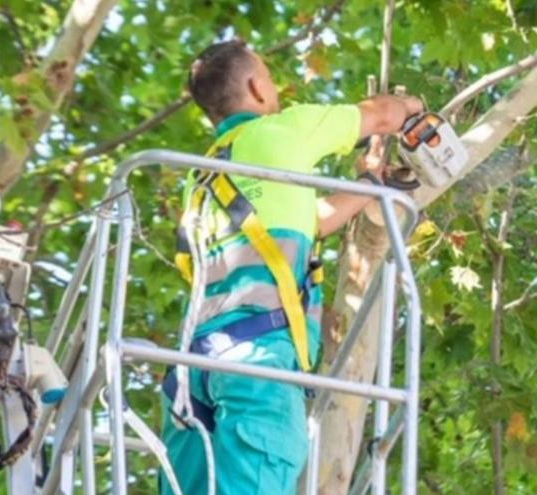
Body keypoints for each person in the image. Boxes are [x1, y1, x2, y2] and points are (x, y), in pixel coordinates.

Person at [159, 39, 423, 495]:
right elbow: (381, 115)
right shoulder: (281, 130)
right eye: (271, 80)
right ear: (256, 88)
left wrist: (367, 185)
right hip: (257, 364)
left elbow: (311, 220)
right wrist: (419, 109)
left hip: (190, 369)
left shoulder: (202, 177)